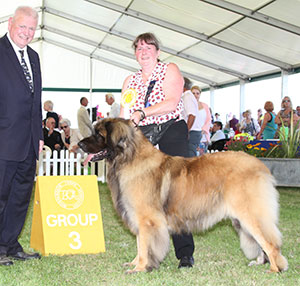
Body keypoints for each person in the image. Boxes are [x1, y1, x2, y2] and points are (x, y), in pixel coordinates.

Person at [120, 32, 195, 268]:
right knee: (142, 198)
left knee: (176, 195)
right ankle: (145, 253)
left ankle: (184, 252)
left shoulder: (169, 69)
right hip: (142, 138)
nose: (143, 52)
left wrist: (142, 113)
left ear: (158, 52)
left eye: (148, 48)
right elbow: (125, 114)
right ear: (135, 54)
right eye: (139, 48)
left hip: (171, 131)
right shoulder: (130, 81)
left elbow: (172, 102)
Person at [0, 6, 43, 266]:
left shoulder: (34, 57)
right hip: (4, 140)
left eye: (31, 28)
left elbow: (34, 101)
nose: (26, 32)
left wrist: (38, 135)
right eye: (22, 26)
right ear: (10, 23)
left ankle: (10, 244)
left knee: (19, 198)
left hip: (28, 143)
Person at [182, 78, 203, 157]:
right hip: (192, 131)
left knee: (190, 158)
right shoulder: (187, 96)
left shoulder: (187, 96)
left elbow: (192, 115)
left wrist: (186, 131)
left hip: (192, 132)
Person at [191, 85, 212, 155]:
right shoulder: (187, 105)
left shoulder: (205, 106)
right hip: (191, 137)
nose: (195, 95)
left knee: (202, 161)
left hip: (203, 138)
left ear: (200, 94)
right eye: (193, 93)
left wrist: (203, 130)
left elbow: (209, 120)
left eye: (197, 93)